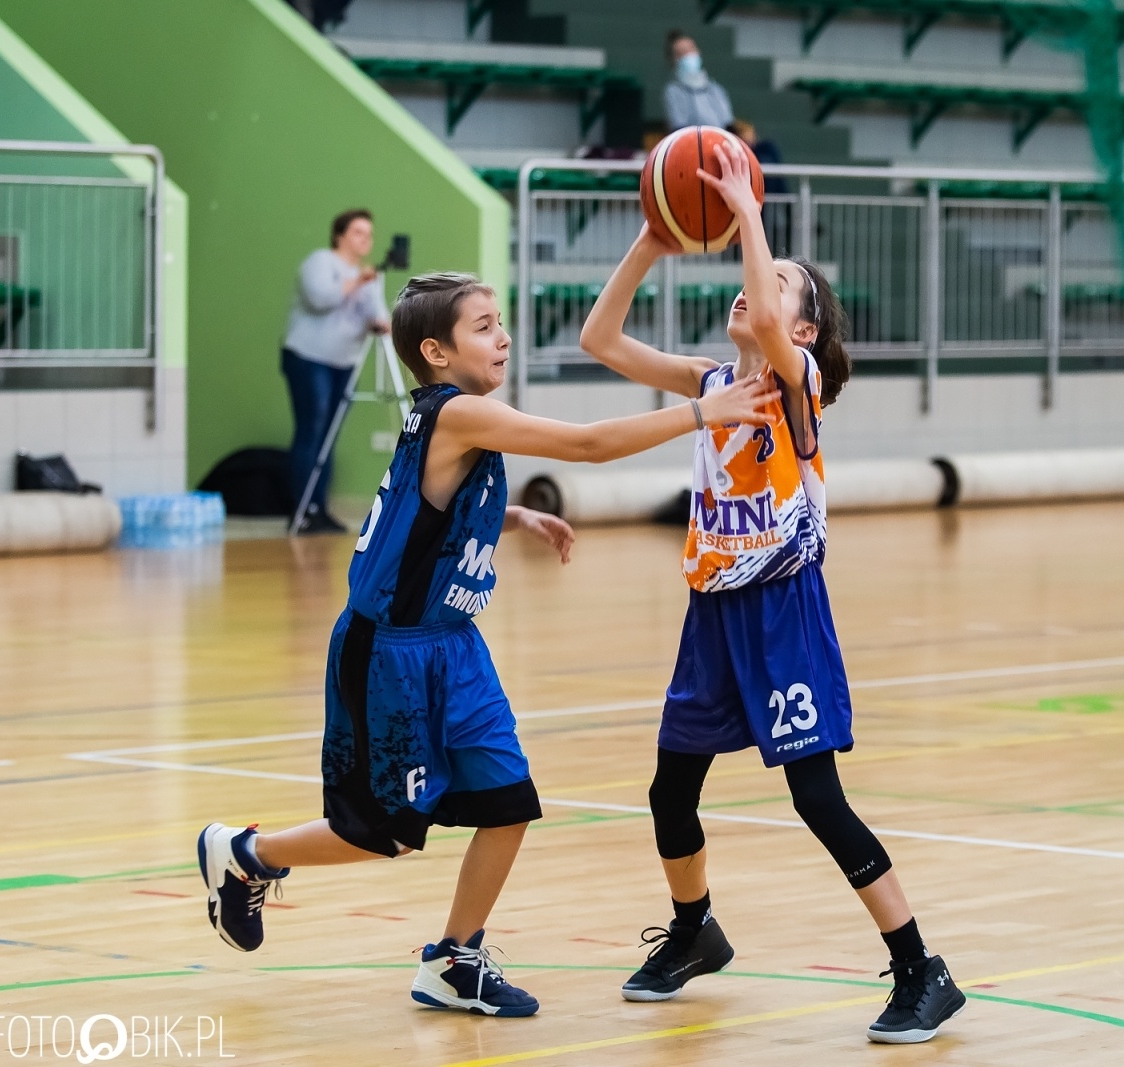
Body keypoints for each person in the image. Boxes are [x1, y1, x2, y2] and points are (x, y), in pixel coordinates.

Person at [197, 272, 777, 1017]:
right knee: (389, 836)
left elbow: (423, 513)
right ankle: (247, 854)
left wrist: (513, 519)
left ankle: (453, 958)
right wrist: (704, 411)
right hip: (390, 654)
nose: (502, 336)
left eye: (500, 322)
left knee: (508, 802)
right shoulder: (457, 414)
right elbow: (588, 444)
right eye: (483, 326)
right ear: (436, 352)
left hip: (454, 647)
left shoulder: (460, 421)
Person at [579, 143, 966, 1044]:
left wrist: (749, 214)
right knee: (669, 793)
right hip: (712, 613)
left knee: (816, 798)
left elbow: (781, 331)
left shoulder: (803, 388)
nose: (757, 283)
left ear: (801, 327)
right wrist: (650, 241)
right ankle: (693, 931)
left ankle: (923, 968)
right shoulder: (711, 384)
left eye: (780, 281)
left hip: (785, 613)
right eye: (760, 269)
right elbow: (600, 341)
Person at [282, 209, 391, 534]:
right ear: (339, 235)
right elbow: (320, 298)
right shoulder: (321, 262)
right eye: (358, 232)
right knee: (311, 429)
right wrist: (359, 281)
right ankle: (301, 508)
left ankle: (319, 508)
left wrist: (382, 322)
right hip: (309, 357)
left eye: (369, 234)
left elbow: (375, 311)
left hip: (344, 362)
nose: (365, 240)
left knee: (329, 436)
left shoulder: (369, 276)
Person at [664, 31, 733, 132]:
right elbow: (679, 127)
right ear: (674, 60)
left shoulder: (716, 89)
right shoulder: (673, 92)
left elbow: (728, 123)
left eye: (690, 50)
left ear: (698, 52)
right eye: (681, 53)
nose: (688, 55)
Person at [731, 119, 786, 195]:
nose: (751, 138)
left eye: (751, 134)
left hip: (767, 196)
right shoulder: (733, 153)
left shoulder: (766, 149)